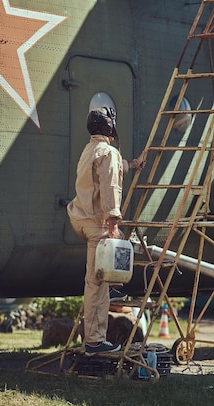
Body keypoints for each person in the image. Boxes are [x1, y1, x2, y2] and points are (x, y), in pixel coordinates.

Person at [67, 107, 146, 356]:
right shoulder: (108, 152)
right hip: (96, 223)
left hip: (80, 218)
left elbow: (110, 168)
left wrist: (132, 164)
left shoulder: (91, 150)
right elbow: (111, 185)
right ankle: (94, 341)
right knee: (95, 283)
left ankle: (107, 291)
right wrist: (113, 224)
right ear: (110, 127)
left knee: (98, 281)